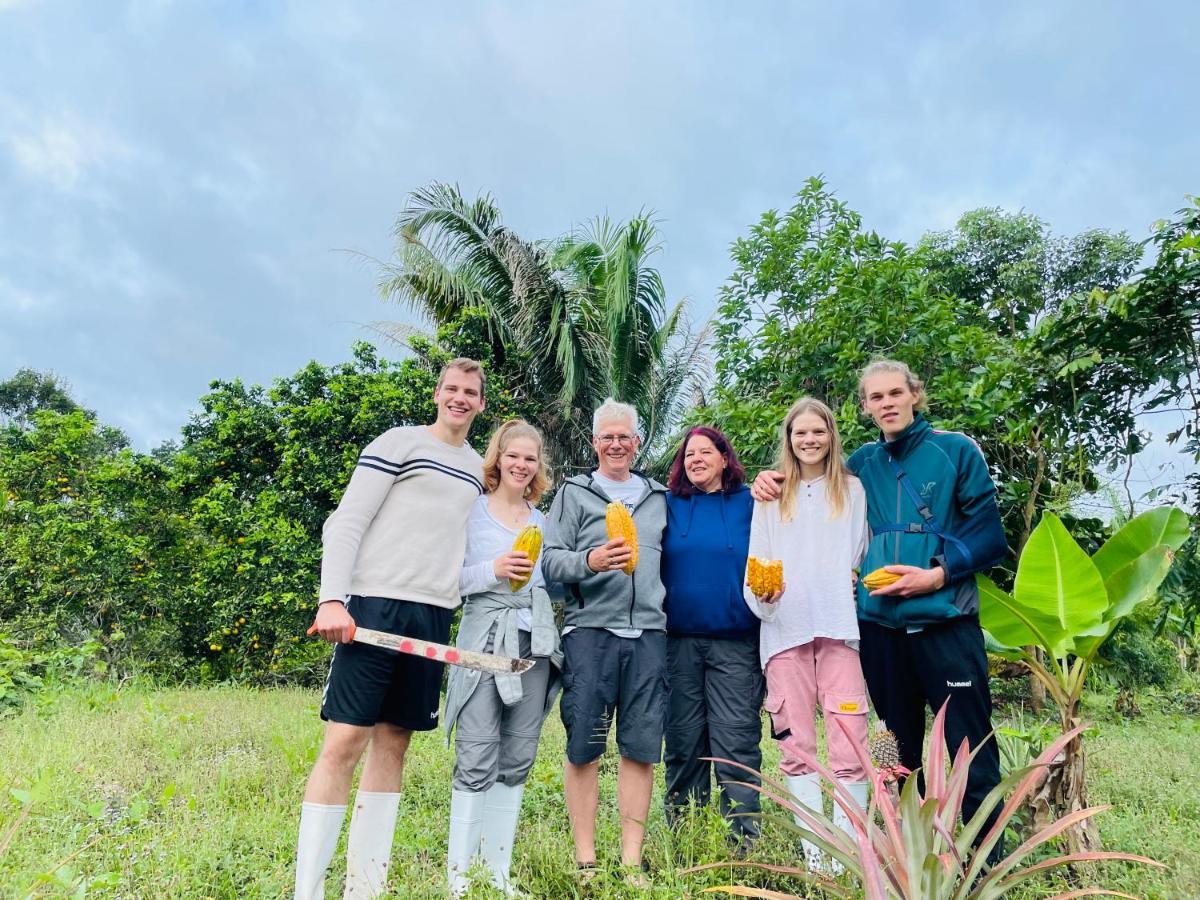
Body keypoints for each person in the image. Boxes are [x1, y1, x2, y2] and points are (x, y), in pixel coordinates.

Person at [752, 360, 1008, 862]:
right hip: (881, 630)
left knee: (968, 747)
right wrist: (767, 480)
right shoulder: (863, 465)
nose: (887, 403)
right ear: (866, 407)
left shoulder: (955, 450)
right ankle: (912, 856)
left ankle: (985, 864)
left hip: (945, 621)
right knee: (900, 752)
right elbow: (810, 481)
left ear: (915, 394)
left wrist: (936, 574)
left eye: (895, 393)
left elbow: (990, 537)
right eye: (876, 397)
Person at [296, 358, 487, 900]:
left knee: (395, 741)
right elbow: (347, 519)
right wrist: (332, 598)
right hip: (374, 605)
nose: (460, 398)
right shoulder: (399, 443)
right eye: (452, 389)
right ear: (437, 394)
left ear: (480, 403)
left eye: (470, 392)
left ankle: (365, 888)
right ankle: (307, 890)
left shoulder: (478, 468)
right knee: (345, 740)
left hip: (433, 615)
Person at [541, 398, 669, 888]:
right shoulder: (575, 494)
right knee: (584, 747)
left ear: (638, 442)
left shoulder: (659, 497)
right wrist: (590, 561)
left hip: (650, 636)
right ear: (594, 443)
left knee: (640, 749)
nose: (617, 444)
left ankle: (632, 860)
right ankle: (586, 859)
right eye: (607, 437)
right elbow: (549, 563)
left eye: (625, 436)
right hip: (590, 632)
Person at [743, 398, 869, 871]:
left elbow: (862, 553)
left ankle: (848, 852)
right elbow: (758, 561)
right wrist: (766, 598)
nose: (810, 440)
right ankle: (816, 856)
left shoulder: (853, 492)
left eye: (819, 431)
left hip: (841, 629)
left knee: (850, 740)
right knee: (796, 747)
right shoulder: (772, 495)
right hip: (784, 630)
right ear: (789, 439)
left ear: (831, 436)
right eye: (801, 433)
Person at [443, 419, 562, 897]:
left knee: (518, 755)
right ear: (498, 458)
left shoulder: (542, 521)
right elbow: (448, 582)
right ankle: (458, 880)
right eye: (513, 455)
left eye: (530, 458)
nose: (521, 464)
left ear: (538, 467)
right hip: (484, 638)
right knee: (476, 750)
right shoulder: (471, 512)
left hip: (534, 643)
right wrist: (493, 569)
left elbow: (552, 579)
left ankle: (497, 874)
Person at [660, 426, 763, 850]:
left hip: (736, 641)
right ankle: (685, 837)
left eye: (706, 452)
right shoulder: (667, 505)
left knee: (735, 739)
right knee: (683, 741)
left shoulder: (752, 503)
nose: (696, 459)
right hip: (677, 641)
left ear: (725, 458)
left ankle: (744, 842)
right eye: (689, 454)